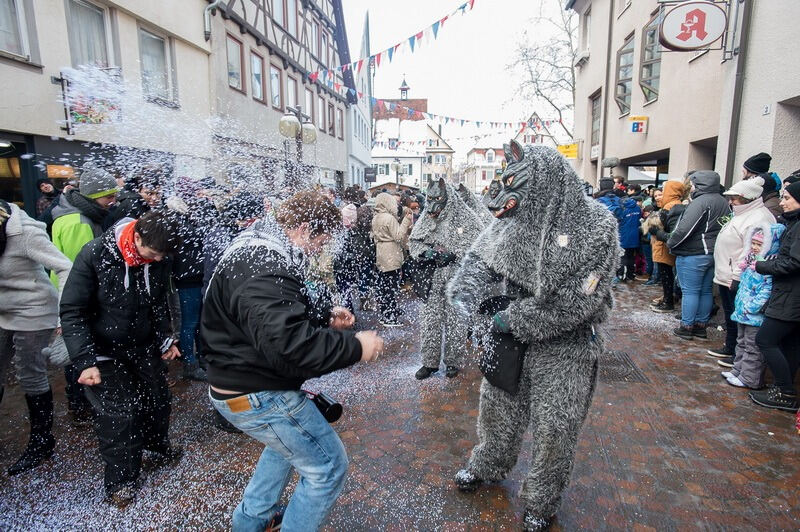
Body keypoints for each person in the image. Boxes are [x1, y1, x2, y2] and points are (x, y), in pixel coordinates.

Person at [449, 144, 618, 531]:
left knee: (556, 426)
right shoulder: (513, 219)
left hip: (567, 344)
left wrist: (515, 319)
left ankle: (542, 501)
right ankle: (487, 463)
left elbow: (579, 300)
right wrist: (464, 295)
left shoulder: (596, 226)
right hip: (510, 336)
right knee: (496, 406)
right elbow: (481, 257)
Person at [199, 191, 385, 531]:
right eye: (321, 241)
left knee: (287, 446)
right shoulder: (263, 268)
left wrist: (323, 314)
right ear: (302, 229)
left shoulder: (258, 246)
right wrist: (355, 346)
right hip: (256, 392)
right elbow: (291, 347)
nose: (320, 250)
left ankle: (249, 522)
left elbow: (273, 313)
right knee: (328, 467)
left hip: (238, 381)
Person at [60, 211, 183, 506]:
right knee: (121, 415)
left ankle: (156, 447)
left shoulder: (157, 259)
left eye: (160, 256)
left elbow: (156, 304)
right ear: (137, 237)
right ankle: (121, 480)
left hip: (141, 345)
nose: (155, 260)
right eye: (151, 253)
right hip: (101, 349)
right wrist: (85, 359)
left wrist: (166, 337)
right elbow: (73, 311)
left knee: (157, 398)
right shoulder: (95, 254)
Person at [0, 199, 72, 475]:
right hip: (4, 308)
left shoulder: (24, 232)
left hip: (35, 309)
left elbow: (64, 266)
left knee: (29, 374)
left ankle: (42, 442)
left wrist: (63, 316)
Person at [50, 161, 119, 425]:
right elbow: (78, 271)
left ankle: (80, 404)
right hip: (80, 301)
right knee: (79, 351)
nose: (113, 201)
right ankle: (81, 407)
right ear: (93, 196)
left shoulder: (77, 214)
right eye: (108, 197)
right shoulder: (79, 222)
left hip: (77, 300)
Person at [408, 178, 485, 380]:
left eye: (438, 199)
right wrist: (428, 253)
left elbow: (478, 242)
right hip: (432, 278)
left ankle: (453, 361)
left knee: (456, 322)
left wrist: (455, 253)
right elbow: (414, 242)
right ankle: (429, 362)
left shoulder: (465, 216)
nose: (434, 206)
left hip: (456, 278)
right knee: (430, 321)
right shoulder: (427, 216)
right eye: (430, 198)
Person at [709, 177, 775, 364]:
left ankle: (737, 354)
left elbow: (751, 251)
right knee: (731, 313)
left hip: (738, 276)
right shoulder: (742, 214)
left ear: (747, 198)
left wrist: (737, 276)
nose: (730, 202)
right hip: (727, 273)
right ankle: (731, 347)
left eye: (734, 198)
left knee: (739, 316)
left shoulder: (758, 217)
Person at [749, 182, 800, 412]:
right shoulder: (793, 223)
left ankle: (785, 391)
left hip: (791, 296)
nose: (782, 202)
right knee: (790, 344)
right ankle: (784, 391)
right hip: (791, 295)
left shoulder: (798, 227)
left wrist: (763, 266)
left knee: (765, 340)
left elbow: (794, 262)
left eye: (787, 198)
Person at [666, 171, 730, 339]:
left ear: (699, 184)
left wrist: (670, 243)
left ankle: (686, 327)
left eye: (692, 184)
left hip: (694, 253)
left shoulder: (700, 202)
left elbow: (684, 230)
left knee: (691, 291)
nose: (691, 187)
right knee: (705, 290)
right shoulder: (723, 201)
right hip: (712, 252)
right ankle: (701, 326)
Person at [723, 224, 784, 389]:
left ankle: (750, 378)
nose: (756, 247)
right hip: (743, 310)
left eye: (760, 244)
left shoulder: (768, 264)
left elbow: (766, 291)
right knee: (741, 342)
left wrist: (752, 307)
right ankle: (738, 370)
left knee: (752, 347)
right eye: (754, 244)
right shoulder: (750, 260)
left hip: (753, 313)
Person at [372, 192, 413, 326]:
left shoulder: (376, 217)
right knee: (391, 287)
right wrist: (406, 221)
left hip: (381, 253)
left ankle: (387, 311)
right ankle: (389, 317)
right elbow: (399, 236)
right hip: (391, 254)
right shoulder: (389, 218)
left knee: (385, 286)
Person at [646, 181, 684, 312]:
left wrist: (654, 229)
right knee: (667, 274)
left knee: (666, 275)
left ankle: (668, 301)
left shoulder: (671, 206)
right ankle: (668, 298)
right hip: (663, 244)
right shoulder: (673, 204)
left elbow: (665, 227)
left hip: (663, 245)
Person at [617, 195, 642, 282]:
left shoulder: (621, 209)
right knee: (631, 257)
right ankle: (631, 274)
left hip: (624, 236)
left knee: (623, 257)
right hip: (635, 236)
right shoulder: (637, 208)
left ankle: (623, 275)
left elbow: (619, 221)